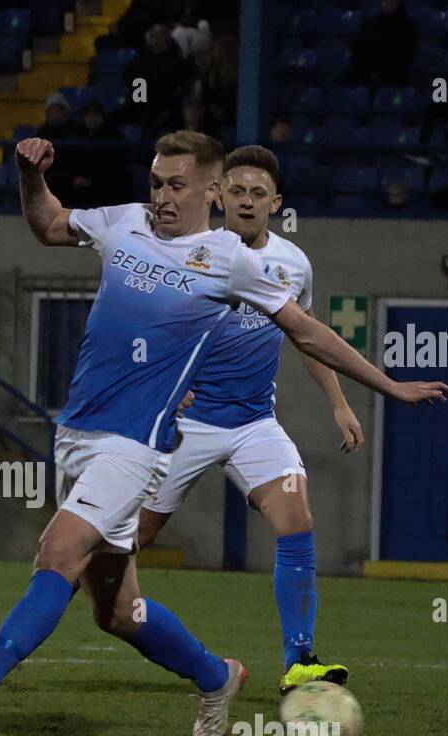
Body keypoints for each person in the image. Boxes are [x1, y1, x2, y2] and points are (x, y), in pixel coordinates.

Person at [0, 131, 448, 736]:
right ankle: (216, 676)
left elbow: (308, 333)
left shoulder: (234, 262)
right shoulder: (122, 223)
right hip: (78, 435)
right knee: (116, 612)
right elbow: (49, 224)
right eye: (156, 182)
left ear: (210, 191)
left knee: (59, 553)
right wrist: (30, 178)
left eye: (176, 185)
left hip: (136, 445)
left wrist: (387, 386)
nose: (161, 196)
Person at [138, 145, 359, 694]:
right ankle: (30, 632)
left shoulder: (293, 264)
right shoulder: (183, 253)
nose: (246, 200)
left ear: (275, 203)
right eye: (236, 190)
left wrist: (338, 401)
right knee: (118, 543)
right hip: (184, 428)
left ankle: (299, 660)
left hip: (254, 424)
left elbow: (305, 336)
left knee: (297, 519)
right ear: (218, 195)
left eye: (258, 193)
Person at [342, 0, 416, 87]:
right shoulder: (372, 24)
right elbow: (361, 49)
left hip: (395, 75)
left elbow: (406, 55)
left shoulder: (408, 27)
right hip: (368, 72)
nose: (386, 3)